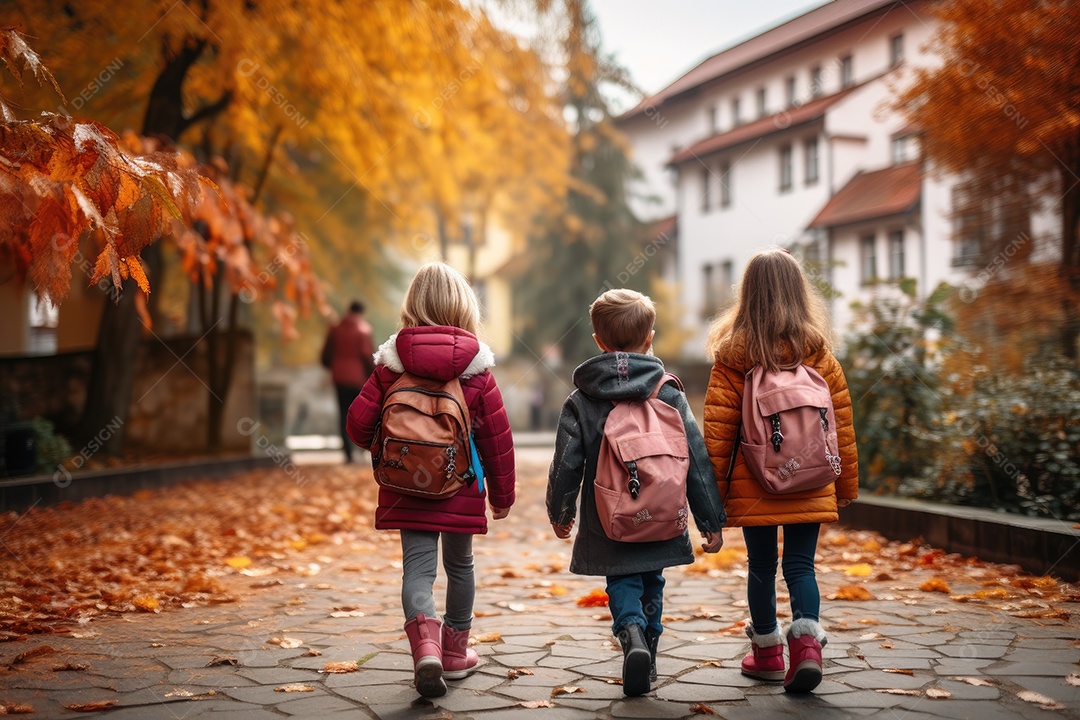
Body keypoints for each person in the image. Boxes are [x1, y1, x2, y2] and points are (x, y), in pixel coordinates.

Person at [346, 262, 515, 698]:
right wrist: (502, 495)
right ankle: (455, 653)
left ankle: (426, 650)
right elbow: (497, 440)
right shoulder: (477, 371)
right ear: (464, 307)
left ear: (412, 306)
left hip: (407, 488)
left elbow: (358, 426)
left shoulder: (391, 367)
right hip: (461, 488)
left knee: (418, 571)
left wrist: (391, 449)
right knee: (460, 567)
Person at [547, 288, 725, 697]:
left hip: (608, 515)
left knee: (622, 578)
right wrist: (710, 519)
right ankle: (650, 651)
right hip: (662, 512)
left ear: (598, 341)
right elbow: (695, 459)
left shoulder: (583, 399)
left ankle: (630, 632)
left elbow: (566, 463)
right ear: (650, 338)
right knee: (652, 580)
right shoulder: (669, 392)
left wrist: (561, 512)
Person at [702, 249, 858, 693]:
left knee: (761, 566)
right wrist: (845, 486)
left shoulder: (733, 357)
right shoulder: (819, 354)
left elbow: (717, 438)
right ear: (799, 293)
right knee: (801, 565)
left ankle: (768, 654)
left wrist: (711, 506)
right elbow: (842, 427)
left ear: (747, 295)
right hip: (813, 479)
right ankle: (807, 649)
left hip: (756, 485)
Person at [321, 300, 375, 463]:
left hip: (339, 377)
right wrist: (372, 374)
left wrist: (332, 366)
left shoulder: (336, 329)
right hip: (358, 379)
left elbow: (326, 354)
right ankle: (360, 447)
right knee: (360, 413)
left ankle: (347, 453)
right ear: (361, 312)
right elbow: (366, 355)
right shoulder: (363, 330)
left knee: (343, 413)